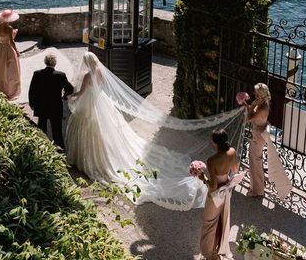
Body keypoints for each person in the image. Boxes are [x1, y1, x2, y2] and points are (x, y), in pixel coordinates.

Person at [65, 51, 246, 210]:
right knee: (107, 132)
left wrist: (72, 96)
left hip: (92, 104)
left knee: (89, 130)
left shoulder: (89, 75)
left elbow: (81, 92)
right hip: (101, 101)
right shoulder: (100, 71)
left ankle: (92, 159)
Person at [199, 129, 242, 260]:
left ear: (214, 143)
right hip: (226, 191)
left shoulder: (212, 160)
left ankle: (210, 255)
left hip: (215, 195)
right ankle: (215, 249)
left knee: (210, 223)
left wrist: (203, 178)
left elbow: (212, 185)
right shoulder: (232, 151)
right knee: (221, 221)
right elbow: (235, 170)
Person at [244, 82, 292, 199]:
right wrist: (250, 106)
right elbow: (253, 113)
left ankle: (258, 190)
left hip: (258, 137)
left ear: (261, 94)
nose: (254, 95)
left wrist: (252, 105)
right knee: (256, 161)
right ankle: (258, 184)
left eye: (256, 93)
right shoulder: (263, 104)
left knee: (255, 162)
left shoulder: (262, 107)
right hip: (258, 134)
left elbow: (248, 119)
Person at [28, 52, 74, 150]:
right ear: (55, 63)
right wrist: (64, 95)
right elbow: (70, 89)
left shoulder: (37, 74)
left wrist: (32, 104)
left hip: (41, 106)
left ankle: (41, 149)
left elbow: (32, 90)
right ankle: (60, 150)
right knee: (57, 130)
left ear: (45, 62)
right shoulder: (61, 75)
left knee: (42, 129)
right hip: (55, 106)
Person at [0, 8, 21, 100]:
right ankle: (10, 89)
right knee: (11, 68)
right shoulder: (9, 28)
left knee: (0, 68)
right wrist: (16, 51)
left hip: (0, 48)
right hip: (8, 48)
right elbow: (12, 42)